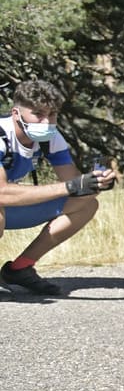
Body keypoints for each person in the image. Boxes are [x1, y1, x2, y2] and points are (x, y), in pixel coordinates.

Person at [0, 80, 116, 295]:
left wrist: (95, 183)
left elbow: (74, 188)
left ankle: (20, 269)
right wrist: (71, 186)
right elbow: (2, 193)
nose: (46, 122)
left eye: (52, 114)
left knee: (86, 204)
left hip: (9, 208)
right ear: (16, 113)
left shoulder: (50, 138)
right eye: (38, 114)